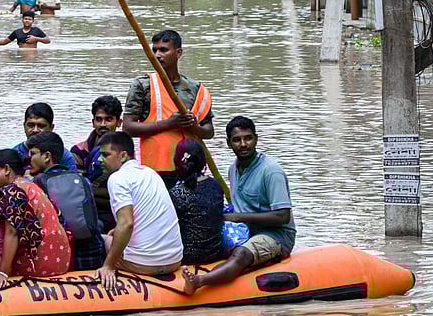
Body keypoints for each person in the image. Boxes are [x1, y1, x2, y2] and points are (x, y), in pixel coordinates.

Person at [183, 117, 296, 296]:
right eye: (237, 140)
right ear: (229, 143)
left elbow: (283, 216)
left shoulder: (271, 171)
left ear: (256, 139)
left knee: (241, 254)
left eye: (248, 138)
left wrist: (238, 217)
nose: (243, 144)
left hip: (276, 236)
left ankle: (200, 281)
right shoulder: (233, 169)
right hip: (245, 231)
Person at [123, 29, 215, 188]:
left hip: (190, 171)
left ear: (178, 52)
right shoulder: (142, 85)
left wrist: (195, 127)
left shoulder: (196, 88)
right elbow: (128, 127)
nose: (158, 55)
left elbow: (209, 131)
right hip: (155, 172)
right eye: (155, 50)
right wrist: (168, 123)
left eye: (164, 50)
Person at [96, 131, 184, 289]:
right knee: (114, 234)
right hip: (174, 260)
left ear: (123, 156)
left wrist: (108, 266)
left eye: (105, 155)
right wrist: (117, 230)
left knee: (101, 239)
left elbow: (127, 224)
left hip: (143, 264)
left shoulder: (117, 178)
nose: (99, 160)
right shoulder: (151, 173)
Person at [0, 149, 72, 288]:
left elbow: (12, 233)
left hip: (37, 266)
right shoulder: (31, 186)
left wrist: (2, 273)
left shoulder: (13, 192)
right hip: (61, 261)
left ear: (7, 169)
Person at [25, 131, 106, 271]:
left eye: (33, 154)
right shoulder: (82, 180)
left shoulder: (38, 183)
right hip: (93, 254)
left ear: (47, 156)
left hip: (61, 257)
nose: (28, 159)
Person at [167, 139, 227, 265]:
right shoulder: (216, 186)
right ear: (202, 161)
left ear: (177, 161)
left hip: (187, 257)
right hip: (215, 253)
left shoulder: (175, 193)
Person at [70, 95, 124, 231]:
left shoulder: (124, 153)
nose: (103, 125)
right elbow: (78, 188)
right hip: (87, 208)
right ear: (93, 122)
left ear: (119, 122)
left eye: (109, 119)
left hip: (117, 209)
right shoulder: (79, 150)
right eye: (99, 120)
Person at [10, 102, 78, 171]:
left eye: (41, 126)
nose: (35, 130)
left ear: (51, 128)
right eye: (31, 125)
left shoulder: (63, 155)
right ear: (24, 126)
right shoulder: (14, 155)